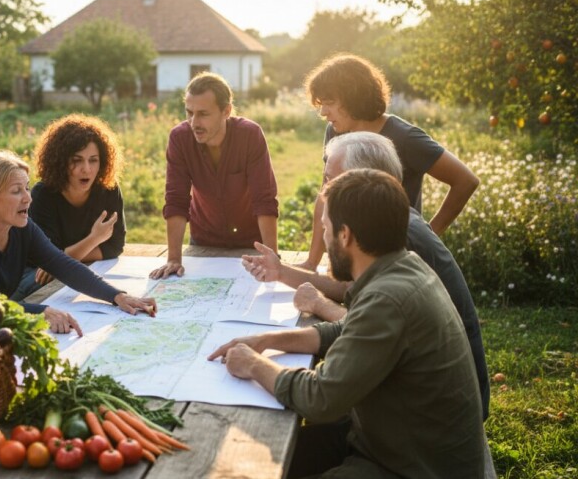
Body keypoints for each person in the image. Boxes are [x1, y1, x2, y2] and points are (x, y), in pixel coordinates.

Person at [209, 169, 485, 478]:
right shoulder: (403, 266)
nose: (324, 238)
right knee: (249, 459)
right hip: (393, 443)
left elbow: (320, 398)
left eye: (325, 227)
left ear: (345, 235)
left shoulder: (388, 299)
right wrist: (267, 340)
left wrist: (254, 365)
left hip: (408, 466)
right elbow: (347, 328)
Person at [242, 131, 490, 419]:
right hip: (426, 404)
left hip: (426, 428)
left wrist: (254, 364)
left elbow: (322, 396)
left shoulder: (398, 248)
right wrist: (281, 281)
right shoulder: (396, 235)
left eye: (331, 179)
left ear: (361, 180)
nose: (324, 191)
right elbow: (352, 302)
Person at [0, 151, 156, 335]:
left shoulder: (22, 227)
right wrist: (43, 311)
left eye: (27, 188)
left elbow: (64, 265)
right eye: (16, 191)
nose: (28, 198)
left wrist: (117, 296)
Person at [295, 53, 479, 272]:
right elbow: (325, 195)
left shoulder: (404, 137)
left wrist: (429, 233)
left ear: (353, 97)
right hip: (354, 256)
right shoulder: (335, 132)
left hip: (395, 261)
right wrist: (311, 262)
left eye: (330, 103)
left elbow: (465, 181)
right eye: (321, 104)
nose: (323, 112)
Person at [149, 72, 279, 279]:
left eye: (203, 114)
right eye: (189, 112)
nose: (194, 122)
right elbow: (176, 199)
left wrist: (273, 258)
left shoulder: (250, 135)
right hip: (204, 243)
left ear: (226, 111)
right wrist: (173, 258)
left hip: (251, 242)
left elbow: (264, 199)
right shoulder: (180, 138)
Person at [14, 114, 126, 300]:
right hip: (33, 274)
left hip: (81, 268)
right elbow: (49, 261)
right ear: (61, 161)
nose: (86, 169)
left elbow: (115, 246)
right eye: (77, 160)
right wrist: (94, 239)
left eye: (93, 160)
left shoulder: (109, 189)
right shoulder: (43, 194)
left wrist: (68, 257)